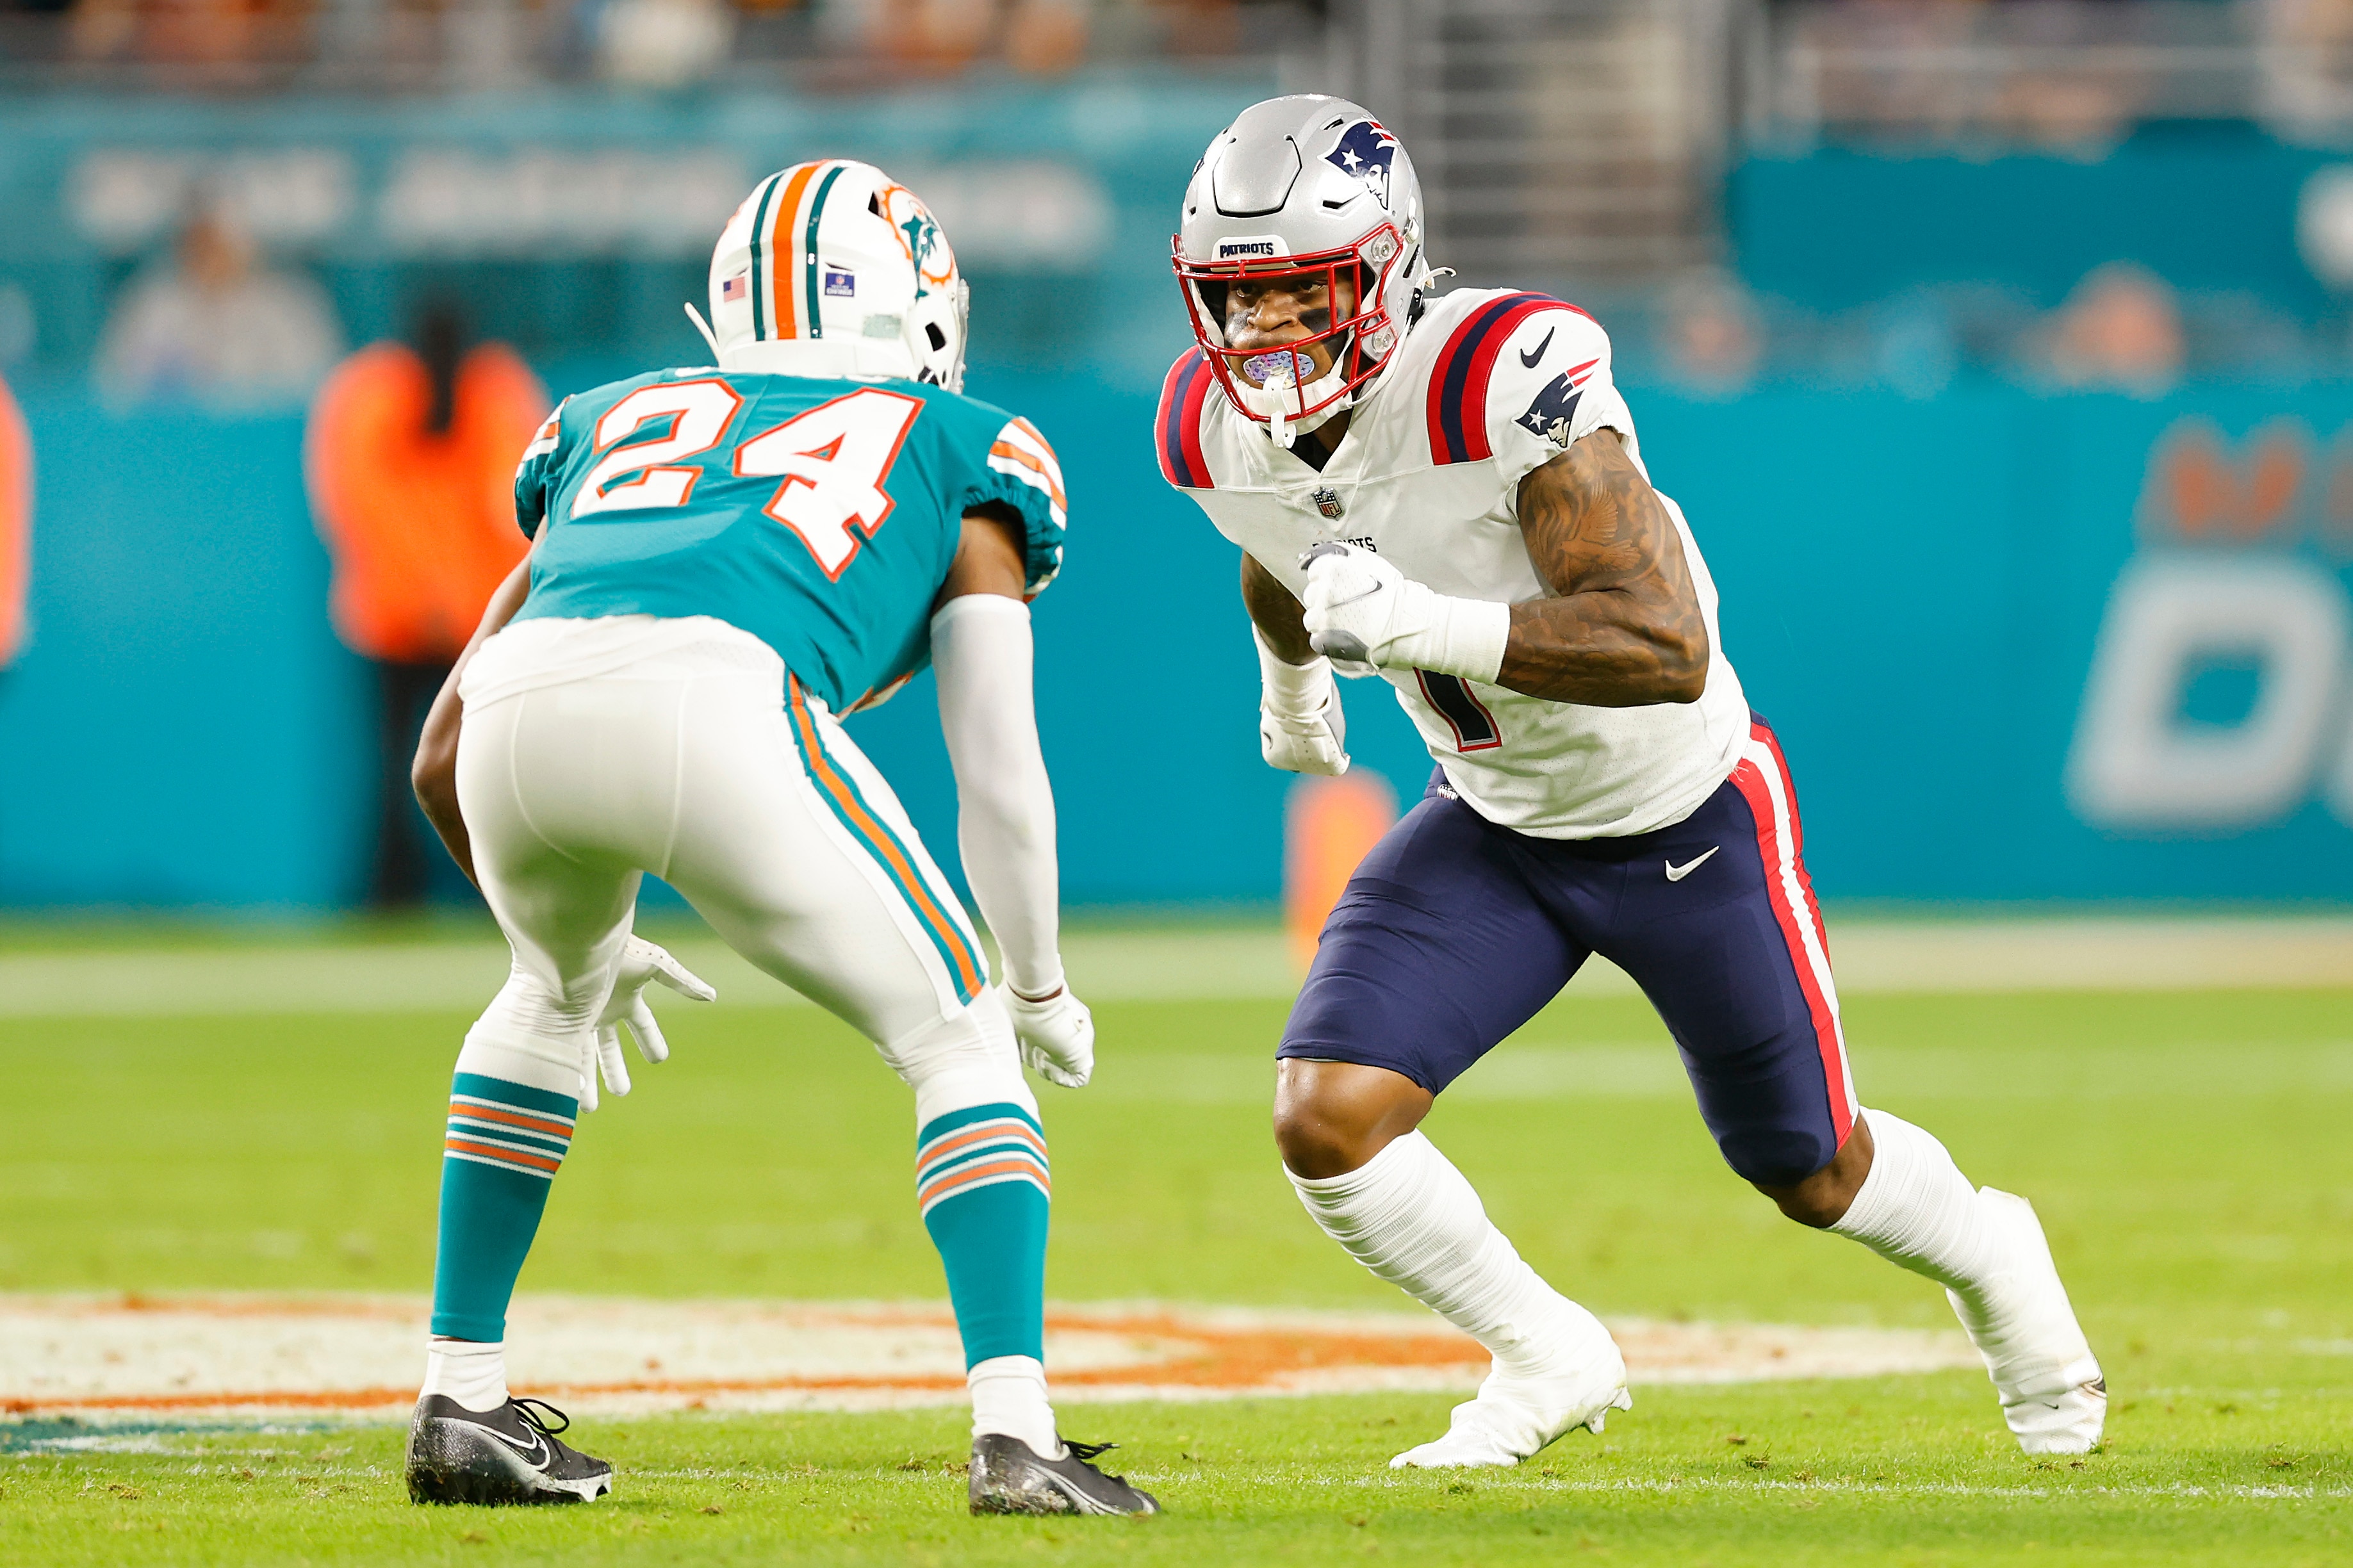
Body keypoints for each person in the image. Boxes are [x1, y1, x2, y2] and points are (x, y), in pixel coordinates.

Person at [1156, 96, 2104, 1469]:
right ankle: (1545, 1352)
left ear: (1385, 266)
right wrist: (1290, 682)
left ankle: (1992, 1254)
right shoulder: (1210, 429)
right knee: (1327, 1118)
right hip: (1492, 822)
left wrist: (1418, 624)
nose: (1268, 332)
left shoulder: (1494, 374)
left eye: (1304, 291)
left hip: (1682, 815)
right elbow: (1285, 537)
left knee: (1808, 1166)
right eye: (1239, 299)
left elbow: (1660, 645)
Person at [404, 160, 1156, 1516]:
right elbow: (997, 770)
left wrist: (569, 945)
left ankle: (459, 1397)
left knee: (539, 1002)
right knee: (961, 1037)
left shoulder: (606, 421)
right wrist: (1037, 985)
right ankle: (1017, 1436)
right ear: (922, 307)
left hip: (512, 715)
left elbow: (438, 750)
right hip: (720, 697)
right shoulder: (964, 442)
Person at [306, 304, 548, 907]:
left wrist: (426, 597)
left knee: (399, 765)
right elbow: (518, 508)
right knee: (478, 765)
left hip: (398, 618)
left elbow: (358, 508)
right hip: (464, 624)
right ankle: (492, 891)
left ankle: (395, 890)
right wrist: (453, 600)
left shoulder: (373, 395)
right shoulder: (489, 395)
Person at [97, 206, 342, 407]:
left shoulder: (288, 306)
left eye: (219, 242)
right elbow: (112, 388)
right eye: (200, 242)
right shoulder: (154, 305)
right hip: (176, 440)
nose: (210, 254)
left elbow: (321, 390)